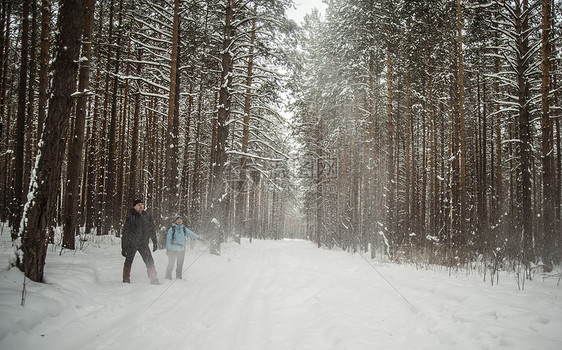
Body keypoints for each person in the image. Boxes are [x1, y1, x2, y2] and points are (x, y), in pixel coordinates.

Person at [121, 199, 159, 284]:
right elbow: (125, 232)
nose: (141, 206)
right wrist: (124, 247)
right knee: (128, 261)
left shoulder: (147, 216)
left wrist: (155, 242)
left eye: (142, 204)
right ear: (134, 207)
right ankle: (126, 278)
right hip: (132, 243)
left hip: (143, 243)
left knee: (149, 261)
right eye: (138, 204)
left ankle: (153, 279)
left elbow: (152, 229)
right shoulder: (131, 217)